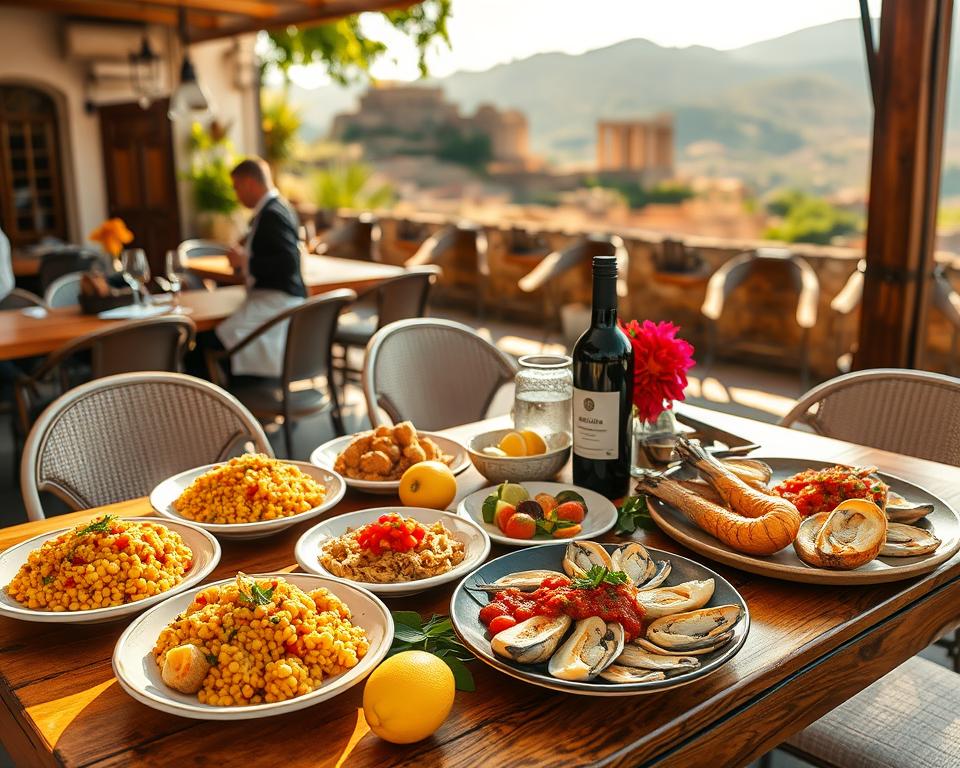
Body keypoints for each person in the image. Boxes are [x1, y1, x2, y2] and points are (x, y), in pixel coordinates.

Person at [212, 158, 306, 378]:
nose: (237, 195)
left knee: (216, 341)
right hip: (277, 299)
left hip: (277, 302)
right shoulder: (278, 207)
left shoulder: (272, 214)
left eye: (236, 188)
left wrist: (245, 262)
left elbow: (289, 263)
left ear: (249, 183)